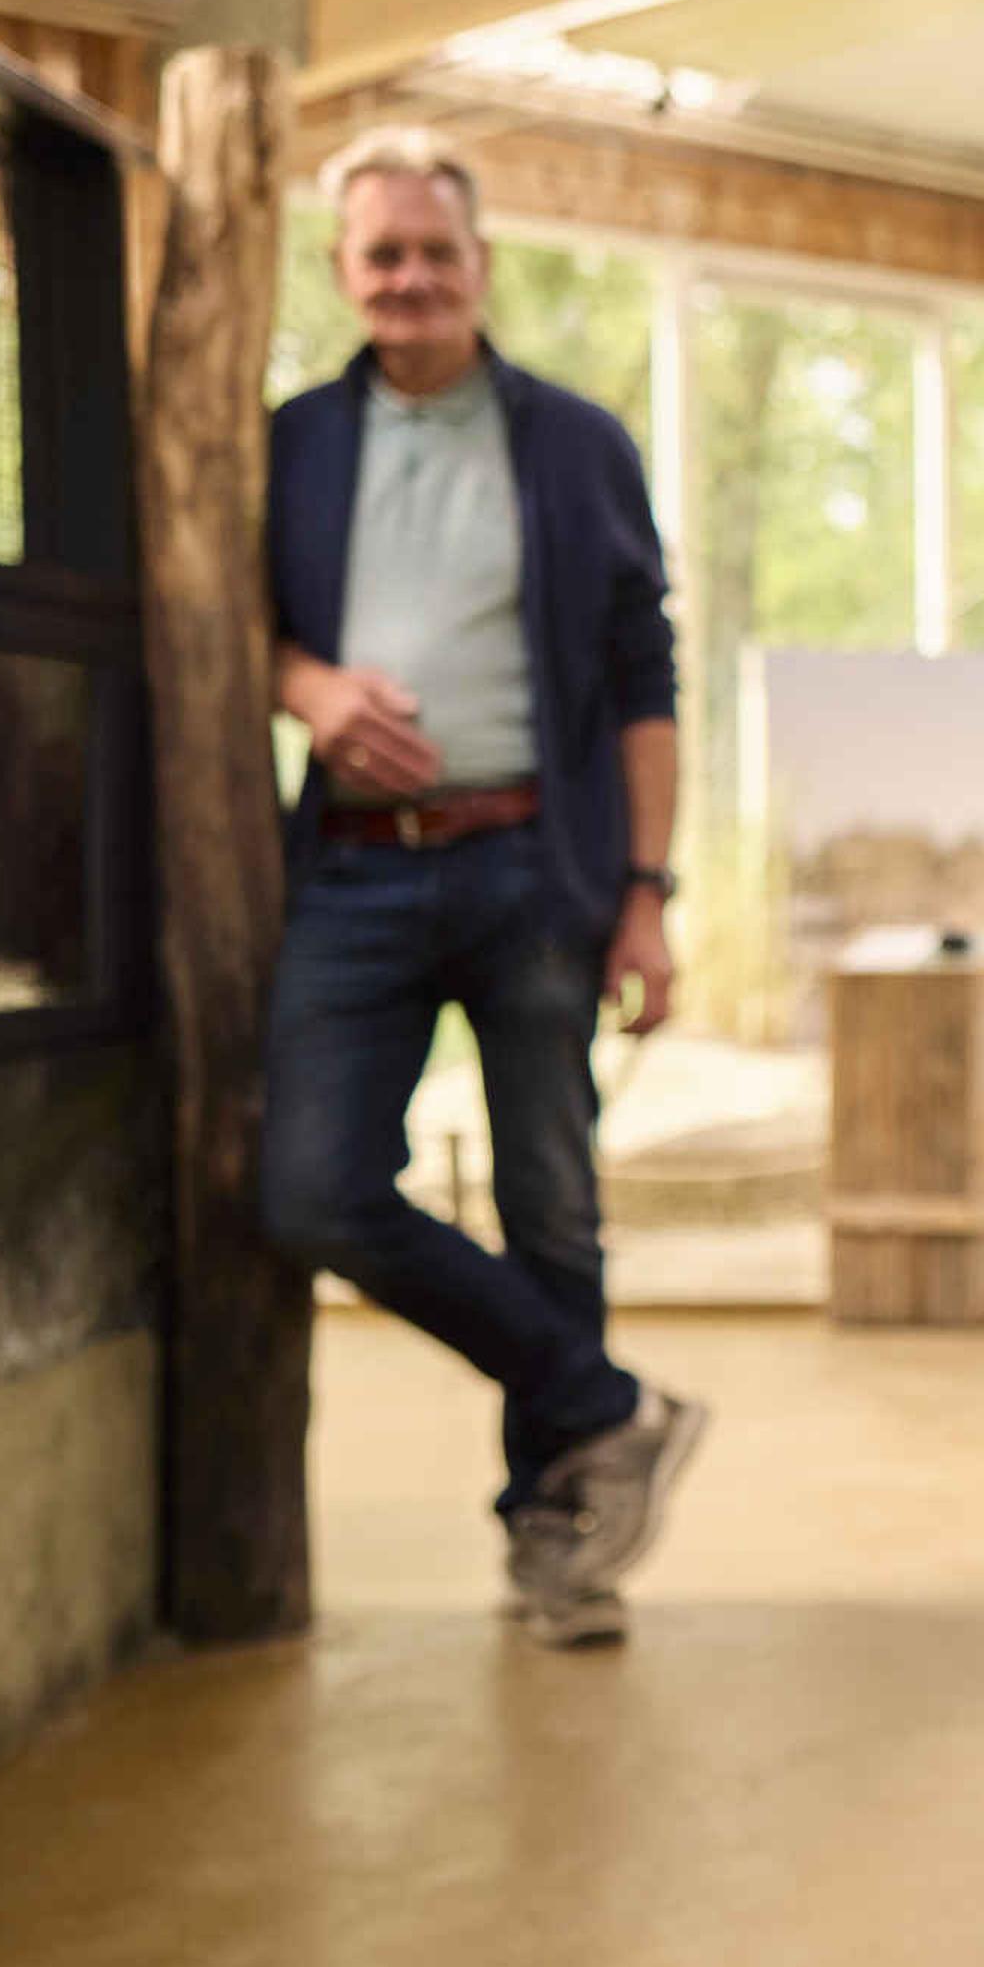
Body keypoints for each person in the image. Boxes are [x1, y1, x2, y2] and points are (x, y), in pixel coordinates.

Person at [257, 127, 709, 1652]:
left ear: (480, 265)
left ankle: (557, 1543)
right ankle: (609, 1408)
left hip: (538, 866)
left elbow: (647, 677)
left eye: (434, 252)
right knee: (313, 1188)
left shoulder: (578, 444)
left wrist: (647, 893)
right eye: (381, 254)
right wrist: (304, 684)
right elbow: (233, 631)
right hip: (354, 875)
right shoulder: (291, 445)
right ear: (343, 272)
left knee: (553, 1209)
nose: (410, 278)